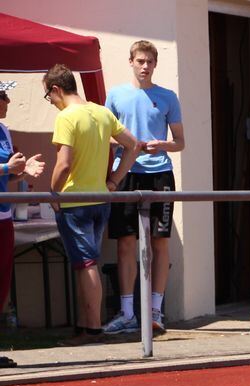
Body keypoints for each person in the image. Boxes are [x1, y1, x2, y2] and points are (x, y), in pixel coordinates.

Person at [45, 64, 142, 346]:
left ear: (56, 90)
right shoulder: (101, 111)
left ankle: (93, 329)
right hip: (101, 199)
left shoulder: (67, 116)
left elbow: (63, 165)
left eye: (49, 97)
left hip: (76, 201)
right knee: (87, 263)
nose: (50, 102)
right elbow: (133, 145)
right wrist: (113, 181)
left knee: (86, 264)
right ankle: (87, 325)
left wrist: (53, 194)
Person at [103, 41, 185, 335]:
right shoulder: (115, 95)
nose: (145, 66)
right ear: (131, 62)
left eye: (149, 61)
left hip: (159, 175)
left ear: (155, 64)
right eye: (140, 61)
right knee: (125, 242)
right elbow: (105, 136)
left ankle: (155, 311)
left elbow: (180, 142)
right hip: (125, 174)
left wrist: (161, 145)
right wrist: (127, 145)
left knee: (159, 242)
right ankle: (127, 313)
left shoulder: (167, 97)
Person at [1, 82, 45, 368]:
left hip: (3, 217)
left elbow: (8, 178)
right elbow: (5, 170)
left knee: (2, 286)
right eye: (3, 95)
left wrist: (22, 173)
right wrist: (7, 168)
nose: (7, 100)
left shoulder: (4, 130)